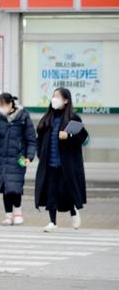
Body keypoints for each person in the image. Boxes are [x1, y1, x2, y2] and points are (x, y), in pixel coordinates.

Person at [34, 87, 88, 232]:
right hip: (49, 163)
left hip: (66, 164)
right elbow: (39, 139)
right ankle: (52, 221)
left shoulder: (73, 119)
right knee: (51, 192)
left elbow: (82, 137)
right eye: (53, 96)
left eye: (57, 96)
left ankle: (73, 210)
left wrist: (68, 136)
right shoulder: (47, 118)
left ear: (66, 100)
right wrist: (40, 153)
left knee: (66, 191)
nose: (54, 99)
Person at [0, 93, 37, 225]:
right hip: (3, 158)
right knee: (5, 187)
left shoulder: (23, 116)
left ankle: (18, 212)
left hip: (18, 158)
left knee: (15, 186)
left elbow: (31, 139)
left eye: (1, 105)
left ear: (10, 104)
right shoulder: (0, 118)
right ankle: (8, 215)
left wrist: (29, 157)